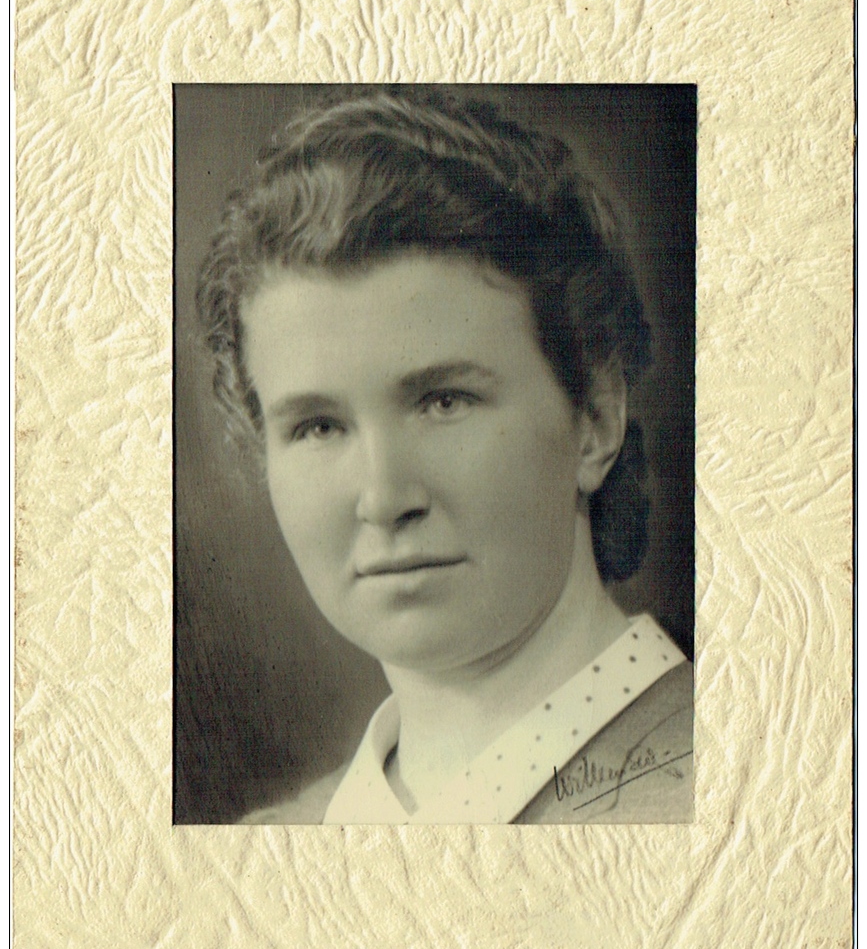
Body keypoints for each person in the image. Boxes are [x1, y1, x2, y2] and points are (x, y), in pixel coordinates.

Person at [195, 87, 693, 824]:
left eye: (442, 401)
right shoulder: (260, 850)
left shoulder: (761, 789)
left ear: (594, 419)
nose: (383, 495)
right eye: (318, 426)